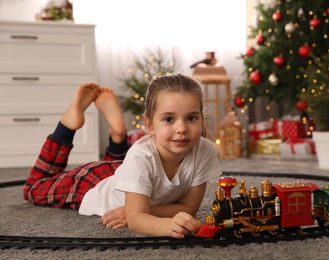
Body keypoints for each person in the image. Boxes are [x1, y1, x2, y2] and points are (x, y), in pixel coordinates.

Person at [23, 73, 222, 239]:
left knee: (124, 165)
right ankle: (68, 126)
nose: (182, 128)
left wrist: (139, 212)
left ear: (202, 120)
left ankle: (118, 138)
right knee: (34, 188)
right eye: (169, 119)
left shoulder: (204, 149)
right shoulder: (140, 156)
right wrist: (165, 225)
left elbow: (188, 208)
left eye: (191, 118)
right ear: (150, 125)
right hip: (92, 186)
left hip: (125, 172)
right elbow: (136, 220)